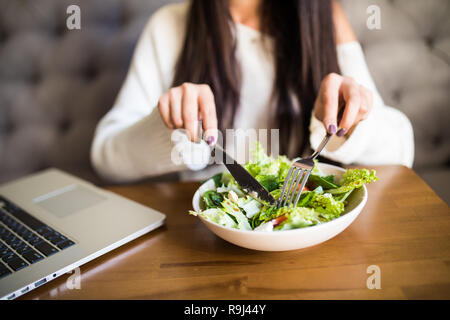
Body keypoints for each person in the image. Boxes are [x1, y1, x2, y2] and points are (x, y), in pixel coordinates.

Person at [91, 0, 414, 183]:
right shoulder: (169, 24)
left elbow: (399, 152)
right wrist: (171, 128)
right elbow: (106, 158)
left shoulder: (325, 18)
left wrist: (349, 123)